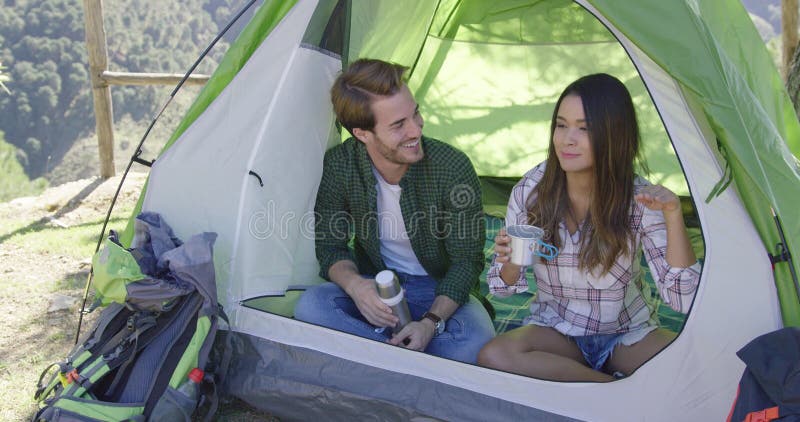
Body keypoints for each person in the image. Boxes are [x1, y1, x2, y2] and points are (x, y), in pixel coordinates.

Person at [477, 73, 701, 382]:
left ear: (614, 136)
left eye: (584, 129)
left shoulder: (640, 199)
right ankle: (609, 387)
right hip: (557, 332)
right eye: (561, 125)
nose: (567, 139)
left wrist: (674, 215)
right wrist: (513, 260)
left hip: (625, 334)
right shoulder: (531, 191)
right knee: (495, 355)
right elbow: (501, 289)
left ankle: (582, 386)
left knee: (693, 366)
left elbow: (682, 299)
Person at [294, 58, 495, 364]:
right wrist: (356, 286)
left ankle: (380, 356)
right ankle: (409, 357)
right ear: (362, 134)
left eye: (415, 113)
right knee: (310, 307)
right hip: (379, 287)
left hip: (441, 291)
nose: (416, 129)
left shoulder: (451, 167)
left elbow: (467, 263)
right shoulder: (340, 166)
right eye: (399, 125)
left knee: (476, 345)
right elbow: (331, 248)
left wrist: (430, 323)